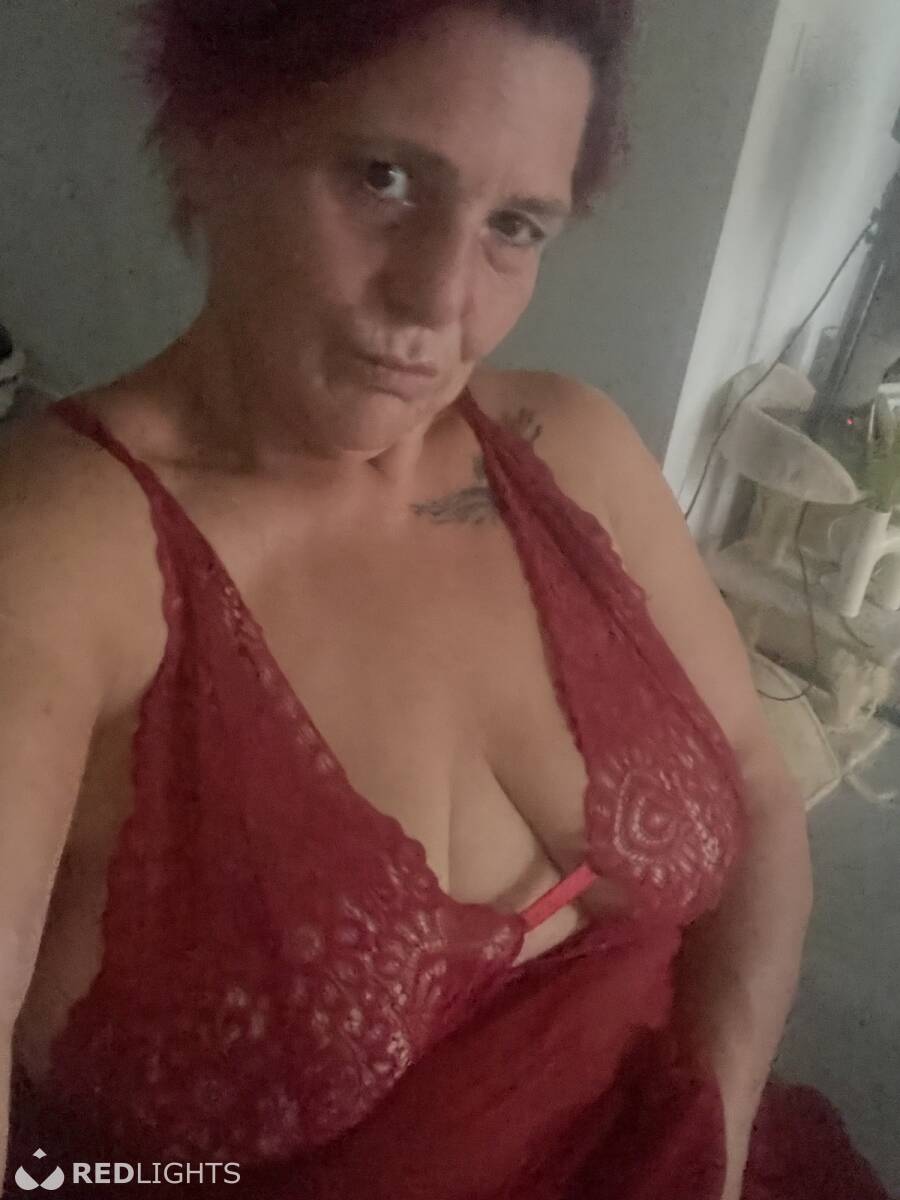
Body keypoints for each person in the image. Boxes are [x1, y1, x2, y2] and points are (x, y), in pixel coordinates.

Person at [0, 2, 890, 1197]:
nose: (439, 299)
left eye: (514, 225)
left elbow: (759, 788)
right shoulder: (57, 554)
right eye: (382, 178)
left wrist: (715, 1140)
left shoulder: (570, 449)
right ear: (209, 140)